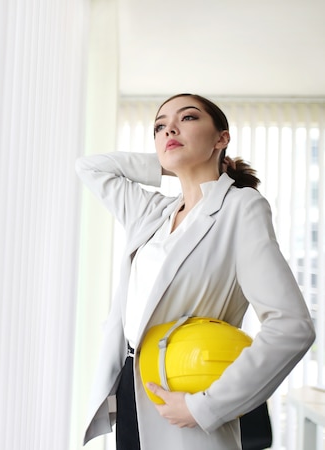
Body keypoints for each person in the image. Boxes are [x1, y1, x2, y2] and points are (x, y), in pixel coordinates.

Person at [76, 93, 316, 449]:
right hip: (131, 392)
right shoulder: (152, 214)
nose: (169, 128)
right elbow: (89, 167)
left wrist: (206, 407)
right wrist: (168, 160)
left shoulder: (241, 207)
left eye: (187, 119)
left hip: (188, 392)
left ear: (222, 137)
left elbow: (291, 326)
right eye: (159, 126)